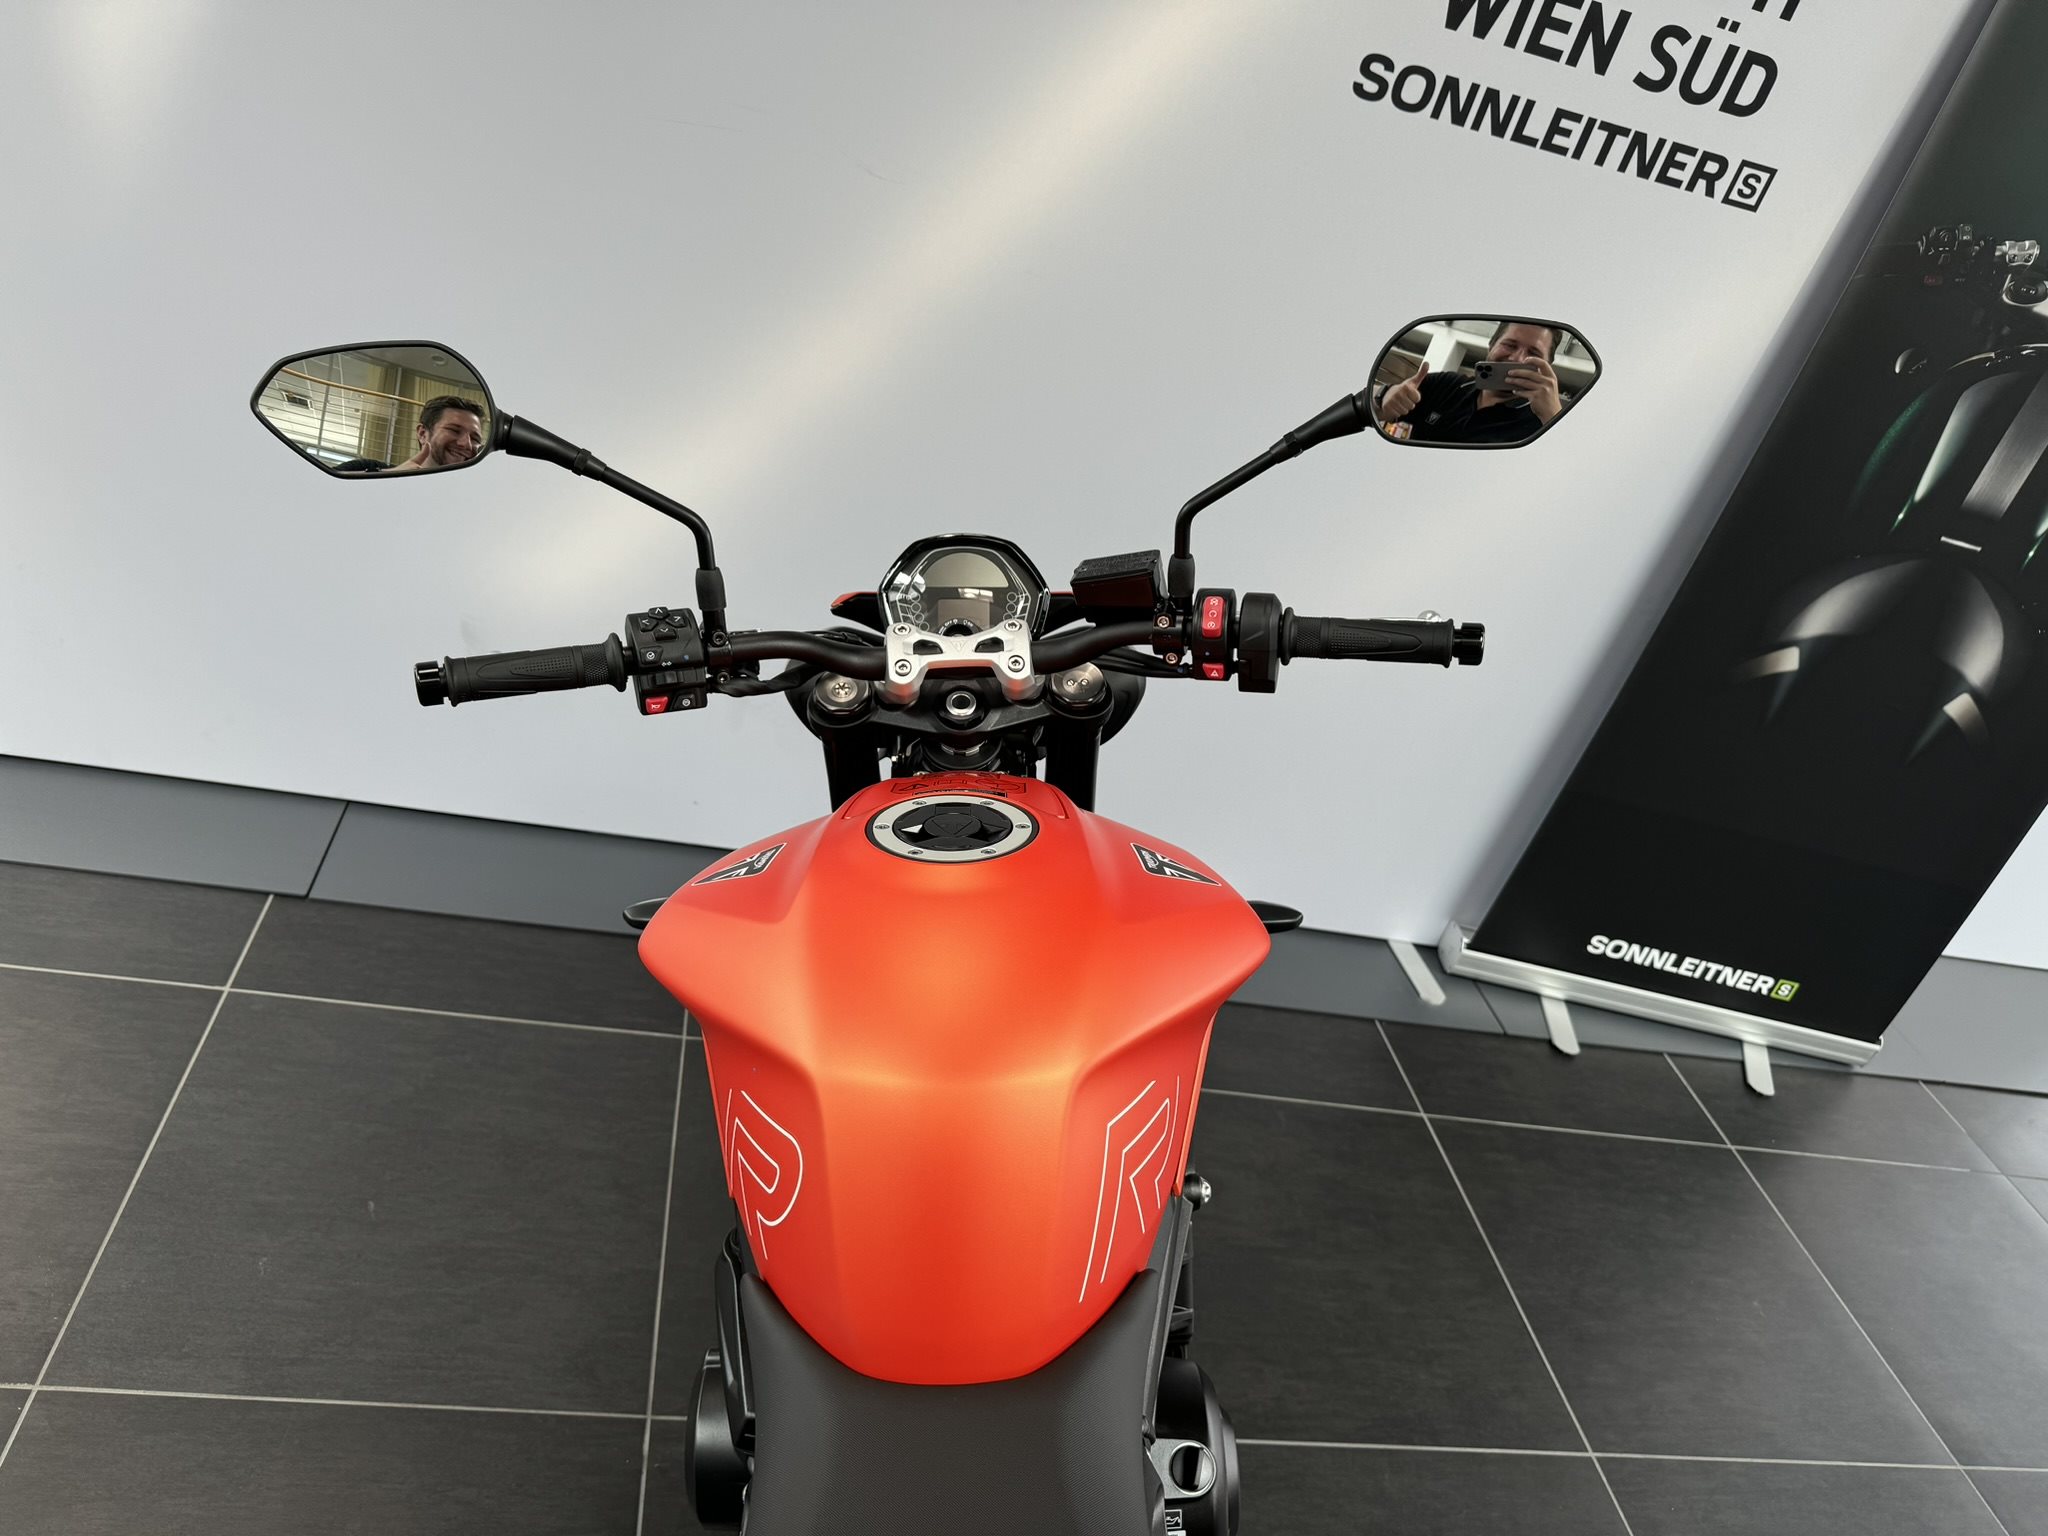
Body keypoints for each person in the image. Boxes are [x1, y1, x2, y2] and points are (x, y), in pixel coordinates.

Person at [1376, 322, 1568, 445]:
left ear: (1547, 367)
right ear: (1491, 345)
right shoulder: (1445, 385)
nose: (1517, 358)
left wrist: (1553, 417)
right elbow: (1367, 403)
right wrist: (1383, 397)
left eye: (1533, 353)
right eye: (1510, 345)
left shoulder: (1542, 421)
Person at [331, 394, 487, 474]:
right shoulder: (363, 468)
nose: (466, 444)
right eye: (454, 430)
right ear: (423, 434)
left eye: (475, 438)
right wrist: (391, 477)